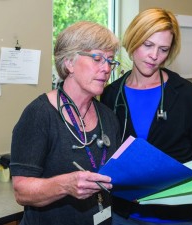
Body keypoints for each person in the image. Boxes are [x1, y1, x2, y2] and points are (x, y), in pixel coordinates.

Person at [101, 8, 192, 225]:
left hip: (176, 214)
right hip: (125, 213)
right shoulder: (111, 94)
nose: (155, 56)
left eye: (163, 49)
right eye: (148, 45)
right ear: (133, 39)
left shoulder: (185, 93)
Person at [10, 21, 122, 225]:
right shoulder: (39, 114)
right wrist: (65, 185)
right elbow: (21, 191)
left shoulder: (107, 116)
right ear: (69, 62)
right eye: (97, 58)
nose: (106, 69)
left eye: (111, 61)